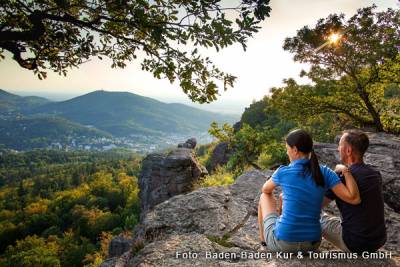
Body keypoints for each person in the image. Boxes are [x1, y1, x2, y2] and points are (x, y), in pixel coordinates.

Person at [258, 129, 361, 252]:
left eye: (287, 149)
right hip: (312, 244)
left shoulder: (283, 172)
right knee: (282, 197)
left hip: (284, 243)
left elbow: (265, 189)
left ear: (295, 150)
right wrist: (345, 170)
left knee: (264, 196)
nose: (287, 152)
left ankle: (264, 244)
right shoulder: (325, 172)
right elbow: (354, 198)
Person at [321, 129, 386, 253]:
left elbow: (317, 205)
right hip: (378, 240)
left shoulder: (341, 177)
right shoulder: (375, 174)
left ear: (348, 150)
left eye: (340, 145)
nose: (337, 149)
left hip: (354, 243)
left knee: (314, 216)